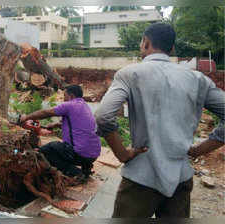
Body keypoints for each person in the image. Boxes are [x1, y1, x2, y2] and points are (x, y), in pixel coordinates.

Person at [95, 23, 224, 218]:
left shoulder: (130, 74)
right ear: (172, 48)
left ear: (145, 43)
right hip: (180, 180)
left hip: (140, 180)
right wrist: (200, 149)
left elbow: (103, 115)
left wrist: (122, 154)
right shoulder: (198, 79)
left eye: (142, 44)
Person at [20, 85, 101, 180]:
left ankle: (75, 173)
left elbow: (46, 113)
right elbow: (76, 123)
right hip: (93, 155)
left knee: (47, 150)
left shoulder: (69, 105)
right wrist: (55, 125)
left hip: (79, 154)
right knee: (62, 148)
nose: (63, 99)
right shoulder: (84, 106)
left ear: (71, 96)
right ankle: (86, 167)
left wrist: (26, 117)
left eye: (64, 96)